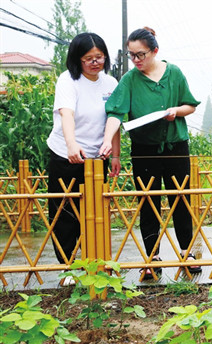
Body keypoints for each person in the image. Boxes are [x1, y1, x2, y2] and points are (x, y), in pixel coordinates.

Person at [98, 27, 201, 279]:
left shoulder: (174, 73)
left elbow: (190, 105)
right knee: (148, 200)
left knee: (181, 198)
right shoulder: (130, 80)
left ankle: (187, 254)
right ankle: (151, 257)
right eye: (131, 56)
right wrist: (107, 142)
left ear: (155, 51)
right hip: (144, 149)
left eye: (140, 54)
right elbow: (115, 112)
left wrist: (176, 111)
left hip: (176, 146)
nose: (136, 60)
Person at [47, 33, 121, 274]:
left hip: (97, 158)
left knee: (96, 213)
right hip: (66, 154)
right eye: (88, 58)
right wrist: (71, 144)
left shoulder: (110, 84)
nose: (94, 62)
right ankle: (67, 267)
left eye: (99, 57)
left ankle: (96, 264)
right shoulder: (68, 80)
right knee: (65, 211)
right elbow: (66, 113)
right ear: (77, 60)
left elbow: (115, 118)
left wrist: (116, 155)